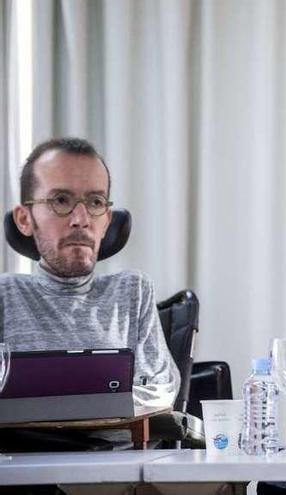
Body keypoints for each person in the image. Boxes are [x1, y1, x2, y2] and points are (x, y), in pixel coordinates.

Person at [0, 137, 180, 409]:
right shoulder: (5, 295)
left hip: (120, 451)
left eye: (96, 202)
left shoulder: (132, 291)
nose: (81, 219)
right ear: (25, 219)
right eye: (61, 200)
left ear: (107, 221)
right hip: (22, 452)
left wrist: (47, 405)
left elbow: (161, 391)